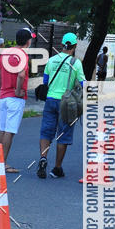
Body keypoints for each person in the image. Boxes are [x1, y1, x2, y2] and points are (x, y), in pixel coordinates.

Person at [36, 32, 84, 179]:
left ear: (62, 44)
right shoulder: (76, 63)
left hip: (50, 100)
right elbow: (82, 84)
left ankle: (43, 158)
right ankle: (57, 168)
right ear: (74, 46)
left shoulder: (51, 60)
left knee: (46, 132)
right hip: (66, 102)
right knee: (62, 135)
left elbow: (45, 81)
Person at [0, 28, 30, 173]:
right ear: (28, 41)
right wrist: (17, 91)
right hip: (15, 97)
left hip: (3, 95)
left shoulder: (5, 52)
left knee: (2, 129)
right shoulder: (22, 55)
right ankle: (3, 163)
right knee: (10, 131)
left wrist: (1, 90)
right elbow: (21, 75)